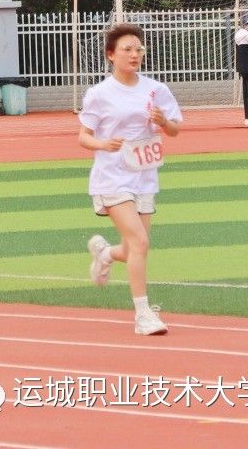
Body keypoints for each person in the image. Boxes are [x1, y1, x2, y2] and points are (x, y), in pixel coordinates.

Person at [80, 22, 183, 336]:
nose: (134, 54)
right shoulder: (99, 94)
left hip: (144, 177)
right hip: (112, 177)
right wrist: (103, 144)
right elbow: (84, 136)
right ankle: (143, 315)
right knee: (139, 242)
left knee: (135, 248)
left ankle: (105, 253)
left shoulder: (156, 89)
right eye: (127, 49)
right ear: (111, 55)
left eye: (139, 49)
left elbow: (175, 130)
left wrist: (163, 121)